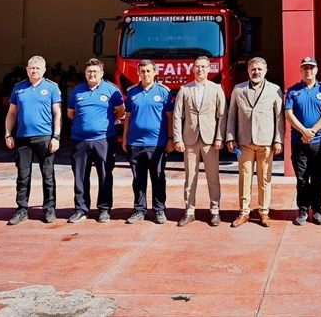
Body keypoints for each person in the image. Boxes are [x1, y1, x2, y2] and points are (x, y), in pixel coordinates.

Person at [226, 57, 284, 228]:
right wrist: (230, 137)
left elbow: (279, 117)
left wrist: (278, 140)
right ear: (248, 71)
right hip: (244, 142)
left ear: (265, 71)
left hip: (266, 142)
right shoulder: (238, 89)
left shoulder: (275, 90)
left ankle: (264, 212)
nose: (256, 72)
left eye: (259, 69)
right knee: (244, 178)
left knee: (265, 178)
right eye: (253, 69)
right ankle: (244, 212)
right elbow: (232, 114)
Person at [4, 55, 62, 225]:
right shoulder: (18, 88)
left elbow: (57, 113)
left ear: (44, 70)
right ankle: (22, 210)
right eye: (32, 68)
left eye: (38, 68)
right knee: (23, 176)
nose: (34, 71)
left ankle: (49, 209)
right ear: (27, 70)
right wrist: (8, 133)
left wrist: (56, 136)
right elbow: (11, 113)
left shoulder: (52, 87)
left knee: (48, 175)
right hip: (23, 138)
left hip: (45, 137)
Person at [66, 58, 125, 224]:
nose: (92, 74)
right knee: (80, 176)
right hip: (80, 140)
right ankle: (81, 209)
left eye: (95, 71)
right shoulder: (77, 91)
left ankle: (104, 209)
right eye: (89, 71)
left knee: (105, 174)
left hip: (104, 140)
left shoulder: (111, 90)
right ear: (85, 73)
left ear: (102, 73)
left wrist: (105, 123)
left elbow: (120, 112)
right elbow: (70, 113)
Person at [173, 56, 226, 227]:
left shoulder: (216, 89)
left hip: (210, 140)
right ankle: (189, 211)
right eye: (197, 66)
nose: (200, 69)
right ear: (193, 68)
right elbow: (177, 116)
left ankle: (215, 211)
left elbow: (222, 115)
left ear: (209, 69)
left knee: (213, 177)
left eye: (203, 66)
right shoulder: (184, 90)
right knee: (190, 177)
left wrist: (219, 137)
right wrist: (177, 138)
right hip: (190, 139)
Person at [122, 60, 174, 225]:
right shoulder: (132, 92)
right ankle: (139, 210)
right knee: (138, 178)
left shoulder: (163, 92)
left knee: (158, 177)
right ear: (139, 73)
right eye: (142, 71)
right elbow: (128, 117)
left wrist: (171, 138)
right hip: (135, 143)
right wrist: (125, 138)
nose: (145, 74)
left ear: (154, 72)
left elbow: (170, 117)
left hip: (157, 143)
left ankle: (159, 210)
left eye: (148, 71)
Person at [285, 57, 321, 226]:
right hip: (299, 142)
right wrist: (303, 131)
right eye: (305, 67)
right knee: (302, 178)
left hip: (319, 142)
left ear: (316, 70)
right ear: (301, 70)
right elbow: (288, 114)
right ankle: (303, 210)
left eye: (311, 67)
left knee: (317, 178)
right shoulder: (293, 91)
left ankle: (318, 210)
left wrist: (312, 131)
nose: (308, 70)